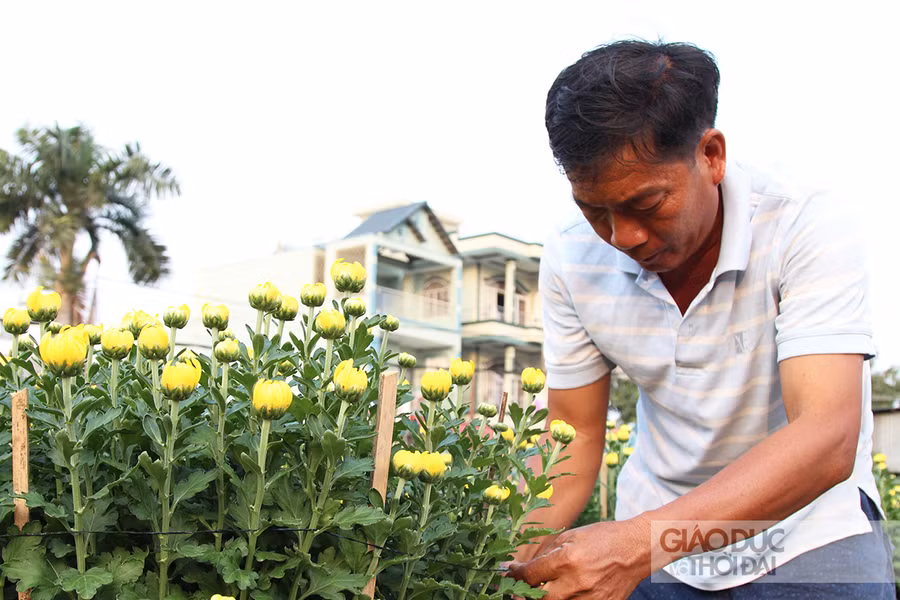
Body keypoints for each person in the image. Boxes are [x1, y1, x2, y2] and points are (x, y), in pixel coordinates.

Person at [506, 40, 894, 599]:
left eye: (645, 204)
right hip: (658, 545)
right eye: (594, 210)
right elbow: (578, 433)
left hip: (806, 534)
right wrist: (492, 550)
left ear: (711, 155)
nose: (623, 237)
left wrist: (641, 542)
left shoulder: (804, 221)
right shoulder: (571, 258)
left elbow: (826, 434)